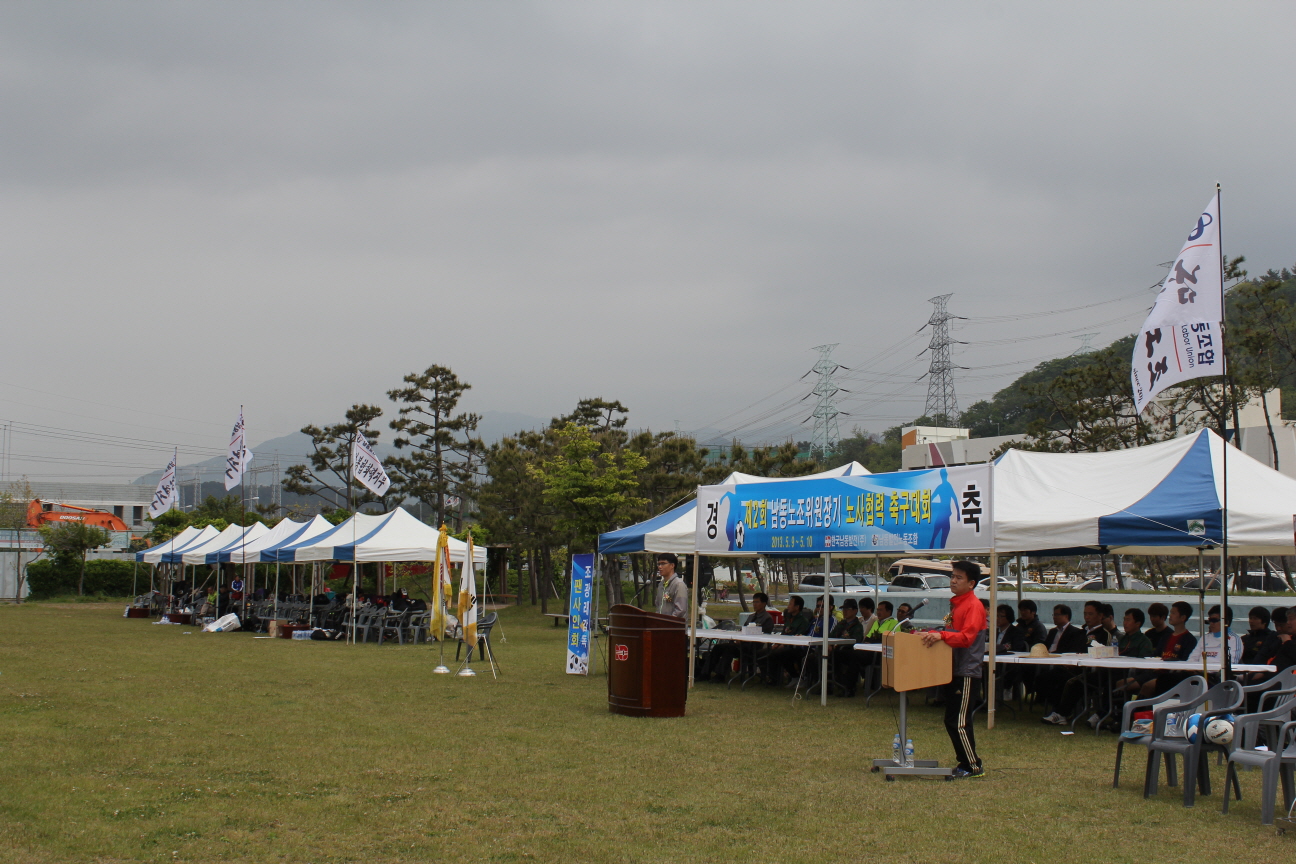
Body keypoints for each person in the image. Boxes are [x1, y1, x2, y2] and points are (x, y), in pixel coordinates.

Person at [920, 560, 987, 779]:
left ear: (971, 583)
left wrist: (942, 635)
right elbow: (952, 632)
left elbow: (967, 638)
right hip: (954, 669)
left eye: (959, 578)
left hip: (967, 671)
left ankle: (973, 765)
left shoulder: (973, 606)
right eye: (953, 576)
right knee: (952, 719)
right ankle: (965, 762)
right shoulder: (958, 604)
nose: (954, 581)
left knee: (959, 721)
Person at [701, 592, 773, 682]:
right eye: (753, 602)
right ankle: (705, 673)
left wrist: (744, 640)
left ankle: (720, 675)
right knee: (718, 647)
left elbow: (764, 636)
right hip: (742, 644)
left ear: (764, 604)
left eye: (757, 602)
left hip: (753, 647)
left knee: (729, 649)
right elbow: (744, 629)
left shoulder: (767, 618)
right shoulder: (751, 617)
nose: (754, 604)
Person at [1138, 601, 1198, 697]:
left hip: (1173, 677)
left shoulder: (1189, 640)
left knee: (1147, 686)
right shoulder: (1166, 637)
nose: (1170, 616)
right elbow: (1156, 654)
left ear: (1183, 618)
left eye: (1173, 613)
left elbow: (1185, 662)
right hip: (1156, 673)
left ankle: (1137, 711)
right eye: (1170, 613)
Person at [830, 598, 866, 696]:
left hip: (848, 652)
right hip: (836, 650)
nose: (845, 611)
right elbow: (831, 635)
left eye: (848, 609)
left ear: (855, 611)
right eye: (843, 609)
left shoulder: (857, 626)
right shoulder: (841, 624)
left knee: (849, 659)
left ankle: (848, 688)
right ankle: (828, 685)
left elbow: (856, 641)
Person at [656, 553, 688, 618]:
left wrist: (667, 623)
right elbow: (658, 605)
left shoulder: (679, 584)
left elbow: (680, 610)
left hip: (673, 626)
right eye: (659, 564)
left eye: (663, 563)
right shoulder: (661, 584)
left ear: (672, 565)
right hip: (661, 626)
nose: (660, 567)